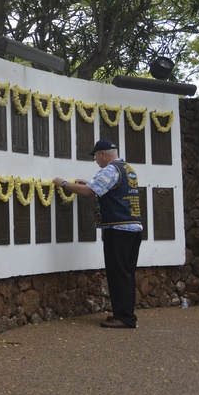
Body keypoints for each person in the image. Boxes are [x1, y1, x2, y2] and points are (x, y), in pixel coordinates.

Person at [53, 139, 143, 328]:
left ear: (102, 154)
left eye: (96, 156)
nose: (96, 160)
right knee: (125, 273)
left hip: (118, 230)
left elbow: (87, 191)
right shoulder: (126, 168)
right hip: (131, 230)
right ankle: (123, 314)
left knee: (118, 274)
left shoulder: (110, 170)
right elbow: (107, 189)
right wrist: (91, 183)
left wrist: (63, 183)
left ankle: (125, 318)